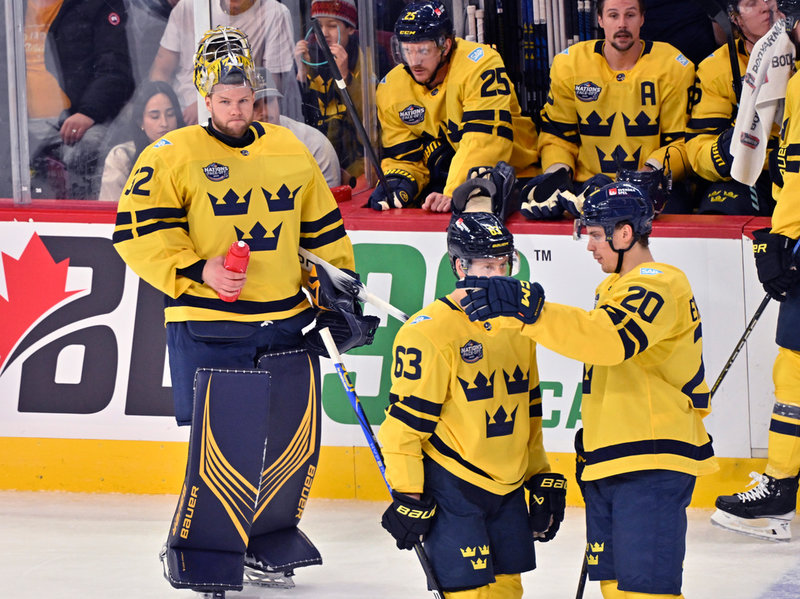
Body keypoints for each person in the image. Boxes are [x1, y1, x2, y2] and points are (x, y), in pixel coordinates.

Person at [113, 26, 377, 594]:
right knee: (223, 446)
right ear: (205, 98)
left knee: (292, 443)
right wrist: (199, 269)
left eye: (246, 101)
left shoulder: (288, 149)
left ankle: (268, 535)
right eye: (226, 102)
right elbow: (136, 232)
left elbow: (321, 232)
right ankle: (202, 548)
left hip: (286, 319)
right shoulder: (171, 155)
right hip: (210, 325)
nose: (237, 112)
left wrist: (335, 288)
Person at [457, 181, 718, 598]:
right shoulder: (612, 288)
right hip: (615, 458)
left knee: (645, 590)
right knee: (617, 587)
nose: (590, 244)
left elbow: (608, 342)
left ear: (625, 233)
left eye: (596, 234)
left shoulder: (659, 282)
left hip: (649, 460)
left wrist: (531, 310)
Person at [377, 185, 565, 599]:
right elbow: (404, 427)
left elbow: (528, 413)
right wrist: (408, 493)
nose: (497, 276)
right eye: (485, 265)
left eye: (504, 264)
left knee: (508, 593)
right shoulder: (428, 333)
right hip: (454, 488)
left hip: (509, 486)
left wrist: (541, 474)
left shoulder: (521, 325)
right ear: (458, 266)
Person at [711, 6, 800, 542]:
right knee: (791, 372)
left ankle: (780, 489)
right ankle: (780, 490)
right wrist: (776, 237)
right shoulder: (790, 76)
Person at [528, 0, 695, 219]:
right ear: (600, 19)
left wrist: (648, 174)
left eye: (630, 15)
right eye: (613, 16)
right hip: (585, 186)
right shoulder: (569, 65)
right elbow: (557, 136)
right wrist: (557, 175)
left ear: (642, 19)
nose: (622, 24)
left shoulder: (673, 66)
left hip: (652, 188)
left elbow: (683, 142)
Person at [370, 1, 540, 213]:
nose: (414, 61)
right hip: (451, 183)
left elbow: (485, 141)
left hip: (515, 177)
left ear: (445, 45)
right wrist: (399, 179)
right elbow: (404, 156)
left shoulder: (480, 63)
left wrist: (454, 190)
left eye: (423, 50)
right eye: (407, 50)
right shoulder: (391, 87)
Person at [25, 0, 135, 199]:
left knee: (87, 152)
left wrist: (88, 112)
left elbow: (115, 69)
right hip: (18, 128)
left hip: (77, 123)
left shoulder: (97, 4)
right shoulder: (11, 9)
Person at [686, 0, 783, 215]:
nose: (765, 7)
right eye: (752, 3)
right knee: (721, 207)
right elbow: (699, 147)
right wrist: (725, 152)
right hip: (746, 177)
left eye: (769, 0)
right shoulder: (716, 69)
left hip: (792, 170)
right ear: (735, 18)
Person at [150, 0, 294, 125]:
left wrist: (206, 105)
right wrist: (169, 115)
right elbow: (161, 71)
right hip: (180, 118)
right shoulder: (189, 7)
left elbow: (271, 88)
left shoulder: (275, 13)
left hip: (238, 117)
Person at [294, 0, 391, 185]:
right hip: (317, 154)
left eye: (332, 26)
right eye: (319, 25)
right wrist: (301, 76)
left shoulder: (371, 55)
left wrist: (346, 77)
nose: (323, 33)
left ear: (351, 29)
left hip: (361, 157)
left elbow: (374, 119)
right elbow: (302, 119)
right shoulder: (309, 57)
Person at [252, 67, 342, 188]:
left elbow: (332, 200)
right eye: (254, 105)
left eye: (268, 101)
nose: (264, 111)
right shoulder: (232, 143)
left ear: (278, 101)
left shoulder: (312, 143)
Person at [98, 80, 184, 201]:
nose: (164, 123)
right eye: (155, 116)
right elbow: (111, 209)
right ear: (140, 122)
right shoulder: (122, 157)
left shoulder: (190, 152)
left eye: (170, 114)